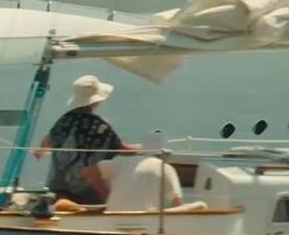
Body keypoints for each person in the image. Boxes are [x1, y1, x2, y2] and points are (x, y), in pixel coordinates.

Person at [33, 75, 139, 204]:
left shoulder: (64, 120)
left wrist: (40, 151)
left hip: (56, 190)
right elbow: (122, 149)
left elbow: (47, 141)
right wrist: (147, 148)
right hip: (86, 194)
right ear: (96, 101)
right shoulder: (99, 127)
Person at [81, 130, 184, 211]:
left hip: (113, 216)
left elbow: (88, 171)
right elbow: (177, 202)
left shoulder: (121, 162)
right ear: (164, 153)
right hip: (146, 221)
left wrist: (105, 193)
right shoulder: (166, 168)